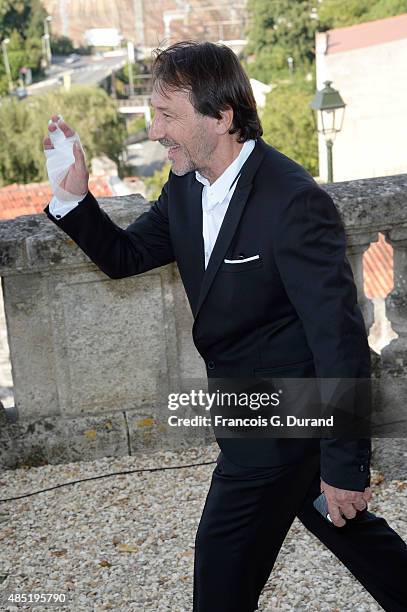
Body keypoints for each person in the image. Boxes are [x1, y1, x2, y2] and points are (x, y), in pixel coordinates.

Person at [43, 41, 407, 612]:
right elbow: (125, 256)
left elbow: (339, 342)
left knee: (219, 575)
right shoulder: (186, 188)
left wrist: (345, 465)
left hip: (281, 426)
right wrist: (72, 198)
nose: (156, 131)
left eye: (168, 116)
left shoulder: (293, 202)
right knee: (350, 532)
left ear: (221, 116)